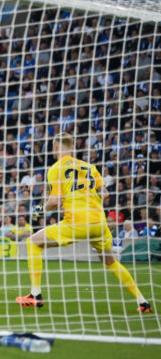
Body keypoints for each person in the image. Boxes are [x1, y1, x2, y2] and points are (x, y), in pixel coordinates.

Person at [16, 133, 151, 313]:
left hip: (77, 223)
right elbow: (105, 193)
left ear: (55, 148)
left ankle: (35, 294)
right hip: (99, 224)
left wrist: (39, 209)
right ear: (72, 148)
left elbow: (54, 202)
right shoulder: (89, 167)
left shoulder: (56, 168)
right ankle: (142, 302)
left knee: (32, 242)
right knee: (110, 261)